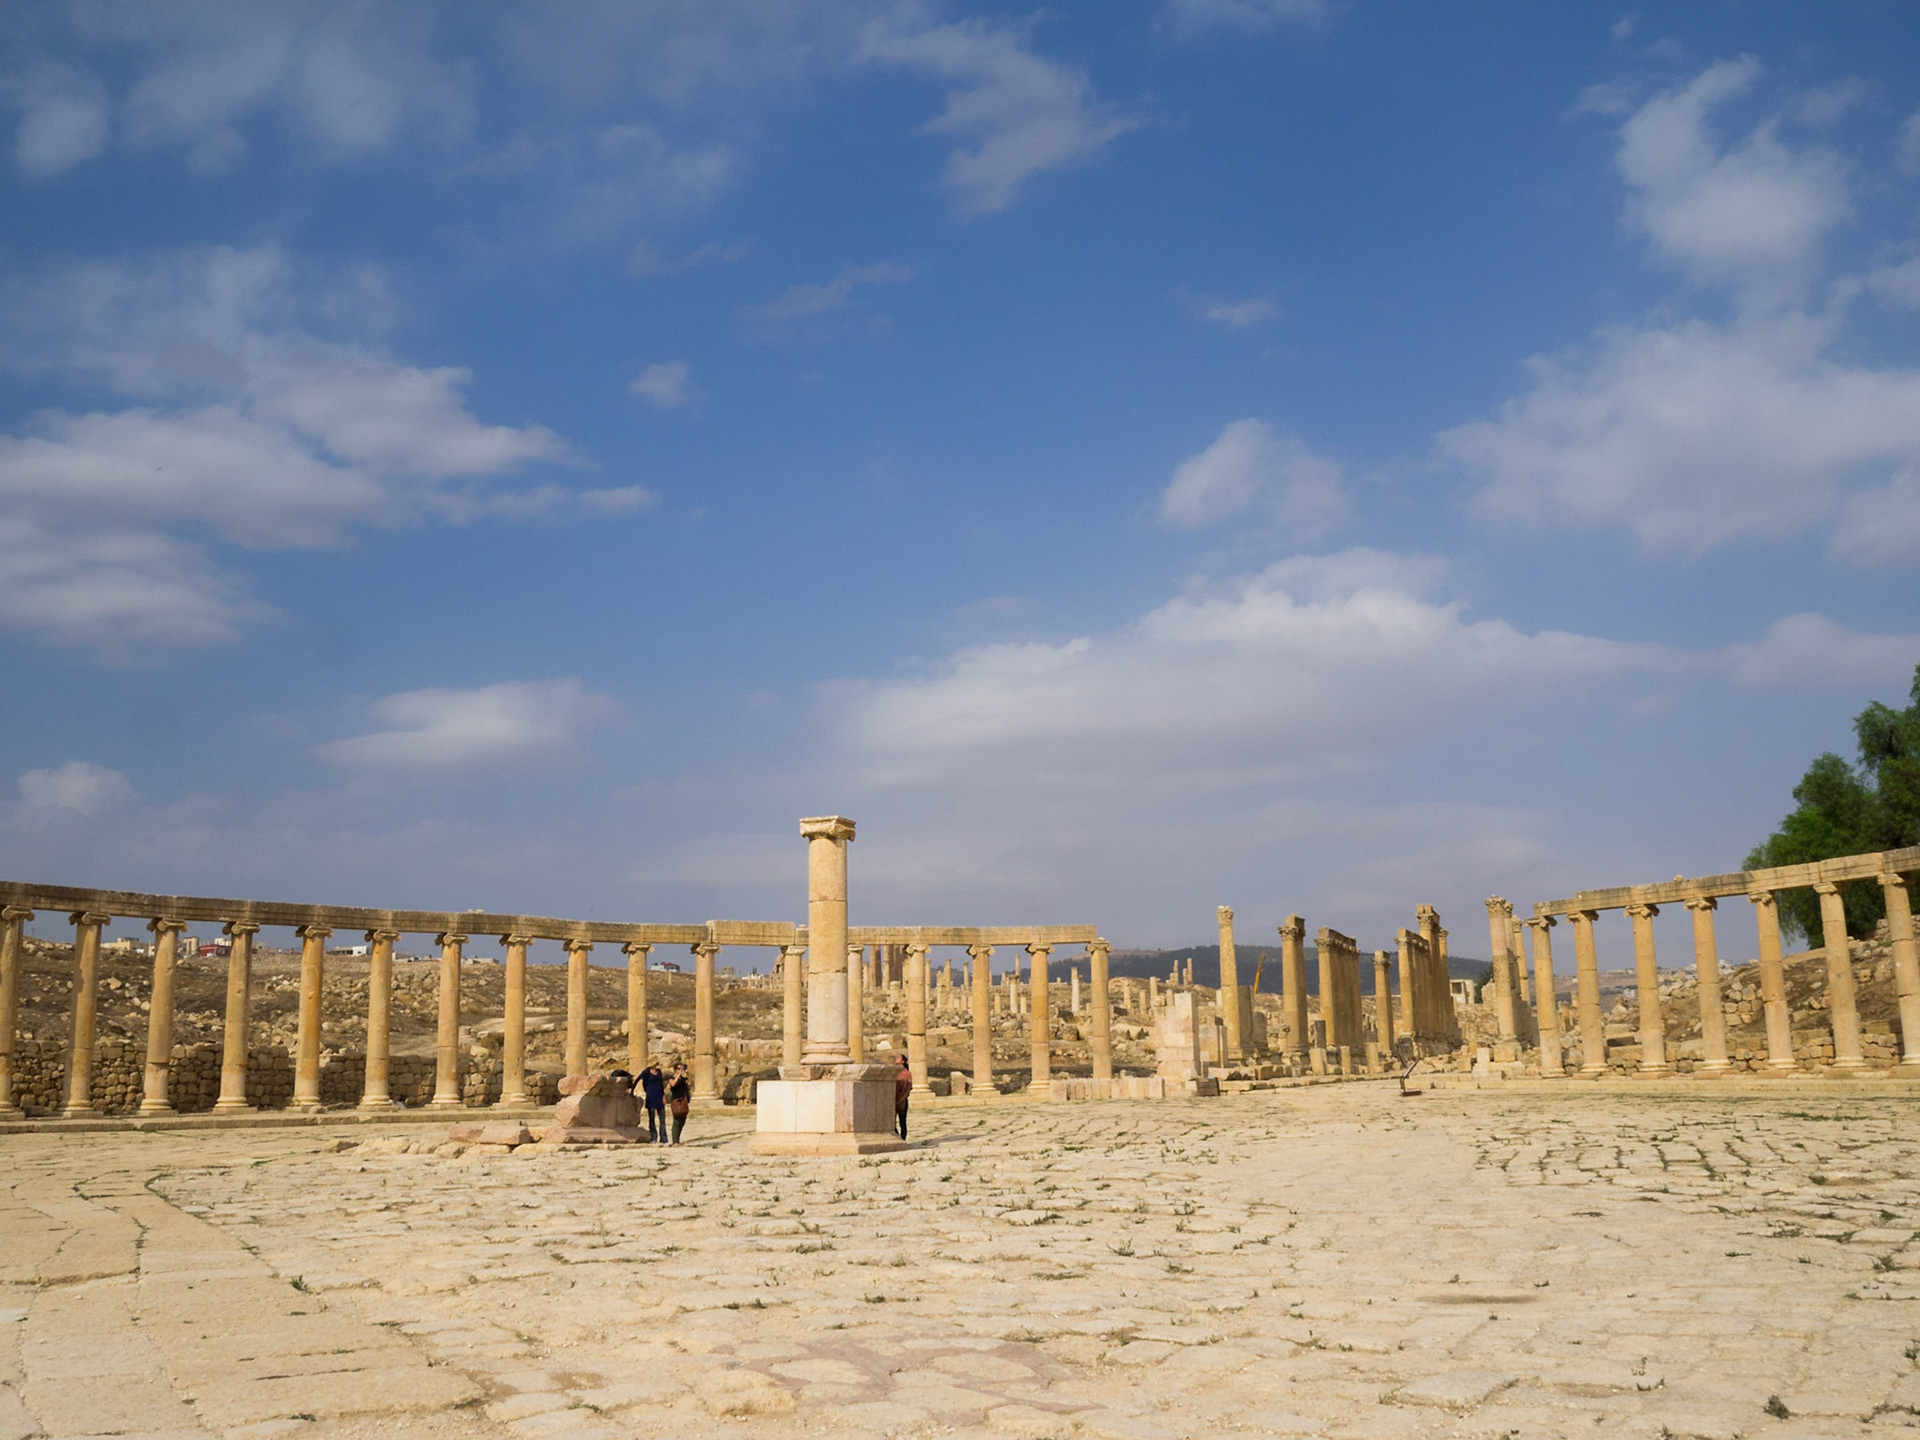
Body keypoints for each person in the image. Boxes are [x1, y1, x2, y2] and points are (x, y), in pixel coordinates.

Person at [637, 1060, 666, 1144]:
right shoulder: (646, 1072)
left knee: (662, 1119)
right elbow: (638, 1079)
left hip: (659, 1097)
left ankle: (664, 1138)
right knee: (652, 1119)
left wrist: (663, 1096)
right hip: (651, 1098)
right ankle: (653, 1137)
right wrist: (632, 1090)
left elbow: (661, 1085)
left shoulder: (659, 1072)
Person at [667, 1061, 692, 1145]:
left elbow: (689, 1085)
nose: (680, 1070)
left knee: (682, 1121)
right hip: (676, 1100)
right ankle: (675, 1141)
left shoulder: (683, 1079)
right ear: (675, 1070)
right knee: (676, 1121)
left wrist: (688, 1075)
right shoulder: (672, 1077)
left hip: (684, 1100)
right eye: (678, 1068)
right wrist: (678, 1075)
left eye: (682, 1068)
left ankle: (677, 1139)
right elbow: (673, 1084)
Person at [894, 1053, 912, 1140]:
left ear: (903, 1061)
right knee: (891, 1123)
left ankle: (903, 1139)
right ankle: (898, 1138)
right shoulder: (892, 1072)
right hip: (893, 1100)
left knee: (902, 1122)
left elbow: (908, 1088)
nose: (896, 1058)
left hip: (902, 1101)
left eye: (898, 1058)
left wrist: (901, 1100)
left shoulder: (907, 1073)